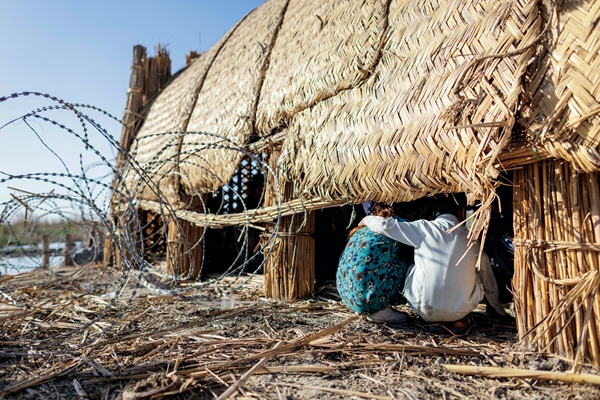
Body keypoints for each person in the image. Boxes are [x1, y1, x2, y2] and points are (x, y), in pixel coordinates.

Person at [359, 193, 511, 333]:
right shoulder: (472, 240)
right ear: (462, 211)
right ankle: (460, 320)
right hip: (462, 309)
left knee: (414, 265)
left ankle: (435, 320)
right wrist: (498, 309)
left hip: (424, 309)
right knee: (475, 271)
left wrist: (366, 219)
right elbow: (488, 280)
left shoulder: (424, 228)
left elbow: (386, 225)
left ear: (431, 214)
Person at [336, 203, 414, 324]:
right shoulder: (397, 224)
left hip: (347, 296)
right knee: (409, 264)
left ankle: (361, 305)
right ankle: (377, 308)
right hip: (370, 298)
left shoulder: (363, 228)